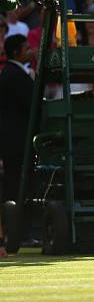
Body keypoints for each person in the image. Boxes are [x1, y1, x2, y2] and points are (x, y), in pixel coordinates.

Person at [0, 35, 33, 203]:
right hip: (17, 139)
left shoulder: (10, 72)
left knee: (13, 178)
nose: (30, 51)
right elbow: (31, 103)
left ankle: (10, 217)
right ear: (16, 52)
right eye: (26, 48)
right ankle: (14, 217)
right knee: (15, 180)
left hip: (11, 138)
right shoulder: (16, 75)